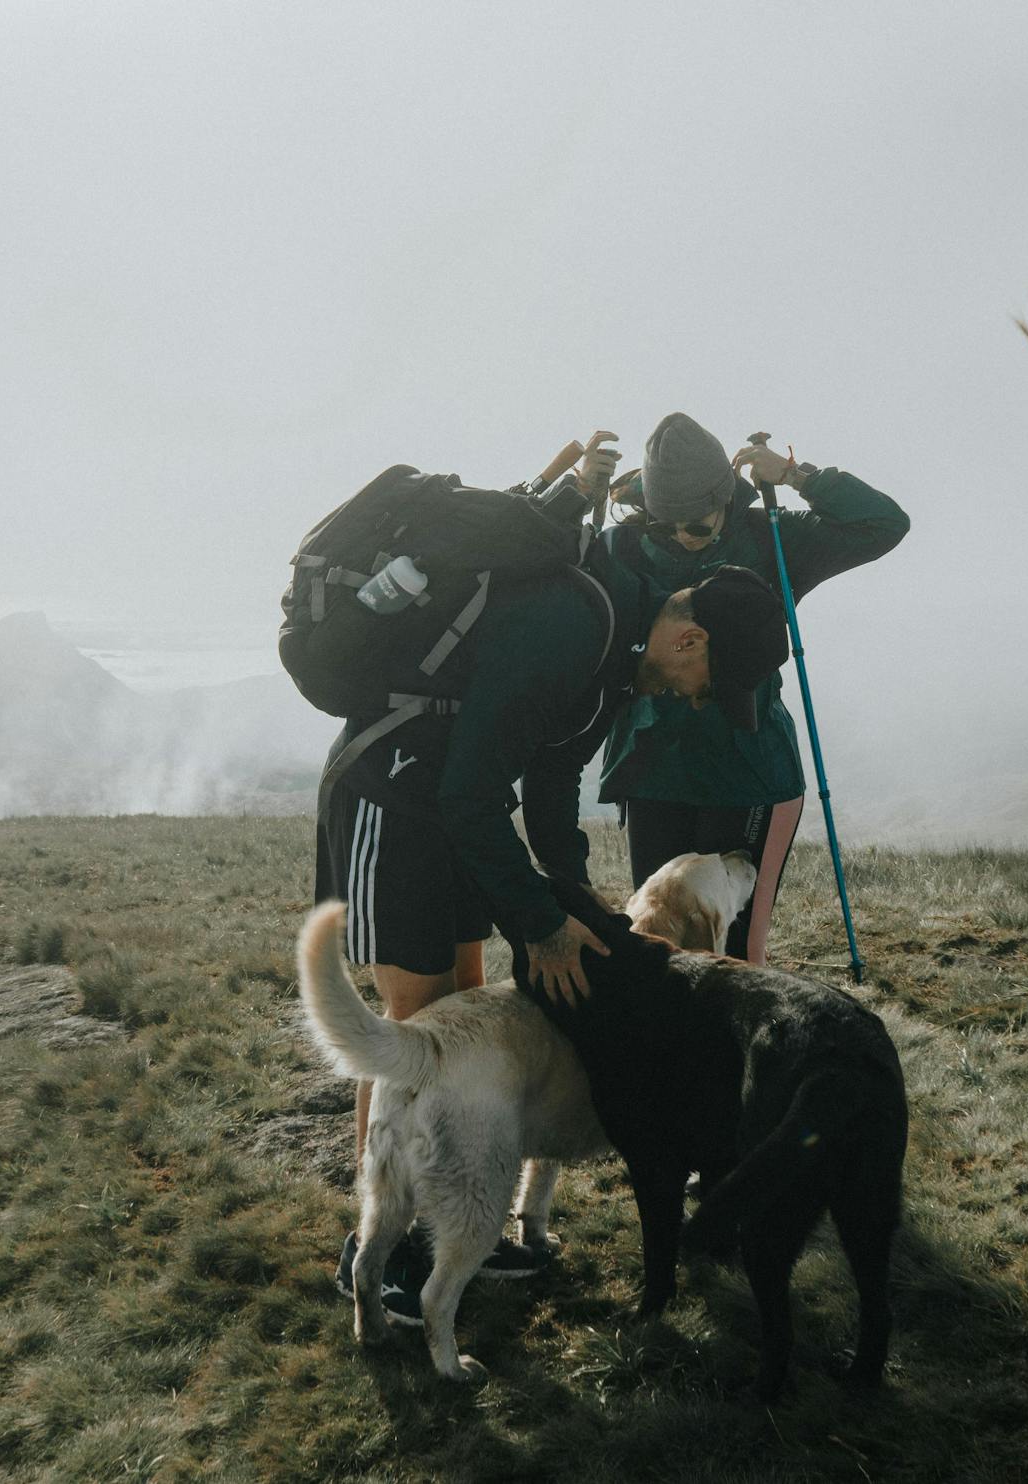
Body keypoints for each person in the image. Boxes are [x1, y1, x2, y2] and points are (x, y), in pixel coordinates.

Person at [317, 436, 792, 1322]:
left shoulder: (616, 655)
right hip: (397, 791)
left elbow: (550, 778)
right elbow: (470, 789)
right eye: (705, 682)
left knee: (458, 1010)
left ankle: (454, 1220)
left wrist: (579, 907)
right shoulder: (580, 624)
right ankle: (376, 1252)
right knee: (411, 1029)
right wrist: (537, 923)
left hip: (453, 804)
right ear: (690, 638)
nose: (694, 697)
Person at [598, 412, 908, 962]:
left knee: (735, 949)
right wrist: (579, 492)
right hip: (653, 768)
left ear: (728, 498)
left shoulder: (773, 538)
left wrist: (798, 476)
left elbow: (884, 523)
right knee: (654, 935)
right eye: (663, 522)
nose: (680, 538)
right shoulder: (623, 545)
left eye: (695, 525)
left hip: (749, 768)